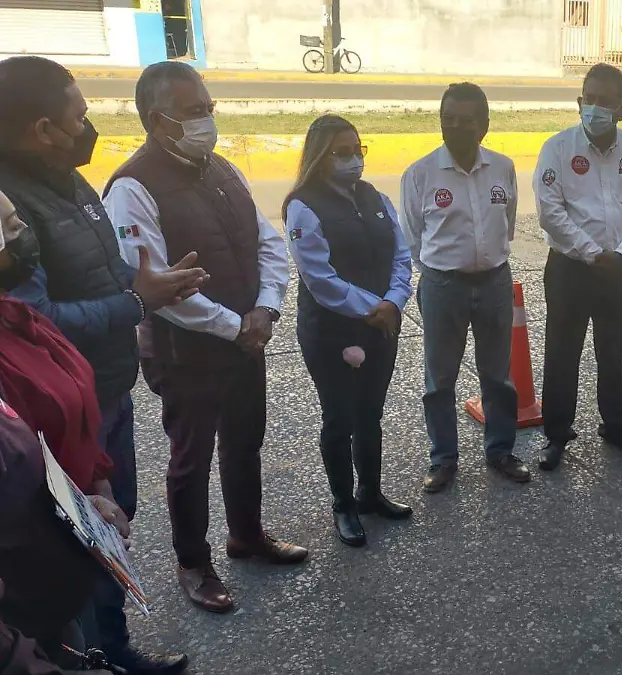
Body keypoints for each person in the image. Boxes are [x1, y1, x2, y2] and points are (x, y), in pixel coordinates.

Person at [0, 56, 196, 674]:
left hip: (102, 391)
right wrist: (138, 301)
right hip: (50, 418)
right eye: (77, 116)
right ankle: (87, 659)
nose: (89, 127)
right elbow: (38, 320)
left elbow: (107, 267)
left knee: (111, 530)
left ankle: (112, 651)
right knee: (72, 548)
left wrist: (139, 289)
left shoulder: (68, 179)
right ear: (42, 129)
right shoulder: (11, 211)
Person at [102, 61, 307, 615]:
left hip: (247, 338)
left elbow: (267, 241)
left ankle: (247, 535)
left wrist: (264, 310)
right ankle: (193, 562)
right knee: (190, 458)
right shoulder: (131, 188)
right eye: (195, 112)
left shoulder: (224, 169)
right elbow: (156, 284)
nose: (207, 120)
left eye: (209, 108)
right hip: (187, 351)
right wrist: (232, 325)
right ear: (157, 119)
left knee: (245, 441)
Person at [284, 115, 414, 546]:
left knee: (370, 415)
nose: (353, 159)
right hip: (332, 332)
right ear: (321, 157)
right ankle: (344, 504)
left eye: (358, 150)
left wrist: (394, 302)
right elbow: (319, 278)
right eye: (342, 152)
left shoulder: (373, 196)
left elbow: (401, 253)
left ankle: (370, 492)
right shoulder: (303, 205)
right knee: (339, 418)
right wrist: (371, 308)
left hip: (381, 324)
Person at [401, 82, 529, 493]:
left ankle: (501, 451)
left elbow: (505, 225)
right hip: (442, 286)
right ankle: (443, 459)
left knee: (498, 376)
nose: (456, 127)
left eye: (466, 121)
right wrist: (444, 269)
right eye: (448, 119)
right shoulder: (420, 174)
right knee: (439, 379)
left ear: (484, 126)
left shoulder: (503, 168)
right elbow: (413, 239)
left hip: (494, 282)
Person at [533, 64, 622, 471]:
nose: (596, 107)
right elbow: (550, 211)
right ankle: (556, 434)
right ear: (579, 102)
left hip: (619, 269)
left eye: (606, 101)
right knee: (562, 352)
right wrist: (591, 253)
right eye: (590, 98)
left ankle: (617, 426)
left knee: (612, 351)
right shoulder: (557, 148)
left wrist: (621, 254)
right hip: (570, 270)